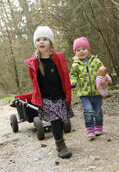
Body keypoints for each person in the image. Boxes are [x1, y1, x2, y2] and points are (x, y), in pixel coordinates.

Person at [24, 26, 74, 159]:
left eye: (45, 39)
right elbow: (34, 81)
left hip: (59, 96)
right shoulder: (34, 63)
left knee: (62, 119)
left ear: (50, 42)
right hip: (46, 99)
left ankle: (60, 139)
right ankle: (60, 145)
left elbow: (64, 75)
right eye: (38, 40)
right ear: (35, 43)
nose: (41, 42)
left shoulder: (57, 58)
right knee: (55, 120)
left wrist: (67, 92)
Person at [69, 37, 106, 140]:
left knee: (98, 111)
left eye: (83, 49)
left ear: (88, 49)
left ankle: (98, 126)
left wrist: (105, 78)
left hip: (97, 91)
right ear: (75, 52)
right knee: (88, 111)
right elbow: (73, 75)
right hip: (84, 93)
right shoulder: (75, 65)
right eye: (78, 50)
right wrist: (73, 82)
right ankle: (90, 129)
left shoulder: (96, 61)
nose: (81, 52)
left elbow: (103, 70)